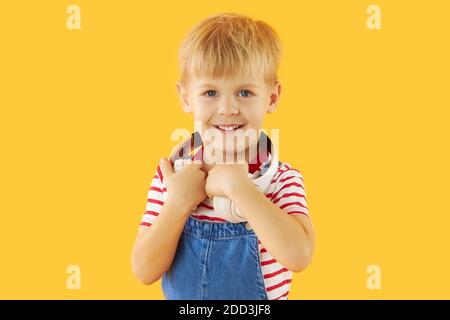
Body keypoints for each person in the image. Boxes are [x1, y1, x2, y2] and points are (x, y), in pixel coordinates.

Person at [131, 12, 315, 300]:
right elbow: (143, 270)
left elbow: (299, 255)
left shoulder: (281, 179)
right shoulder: (172, 177)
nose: (228, 108)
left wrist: (239, 188)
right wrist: (178, 202)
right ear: (185, 97)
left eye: (244, 92)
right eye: (210, 92)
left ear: (272, 98)